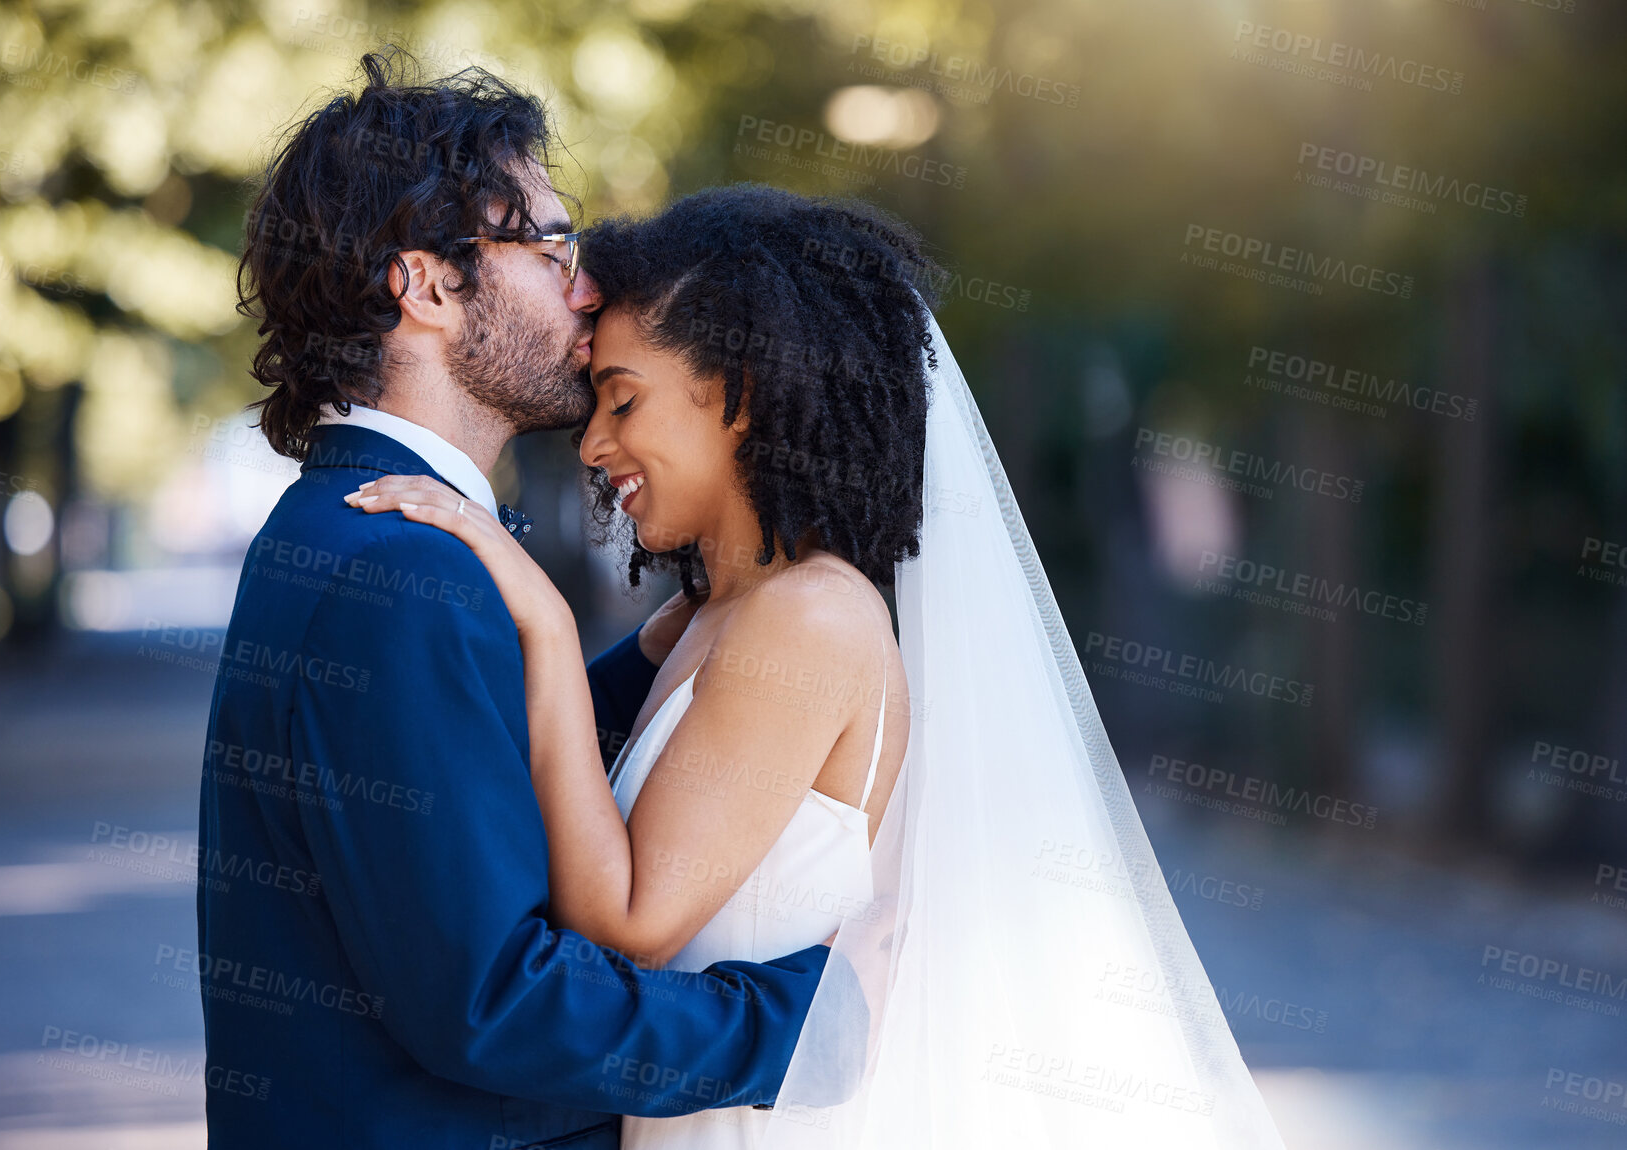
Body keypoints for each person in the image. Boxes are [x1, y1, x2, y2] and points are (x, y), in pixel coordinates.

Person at [354, 184, 1289, 1149]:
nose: (594, 443)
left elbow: (631, 922)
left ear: (745, 394)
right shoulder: (717, 618)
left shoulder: (807, 619)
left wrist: (544, 626)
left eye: (625, 400)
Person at [199, 53, 836, 1149]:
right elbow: (491, 1000)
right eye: (550, 246)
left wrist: (658, 655)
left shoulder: (357, 529)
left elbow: (467, 787)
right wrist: (787, 1024)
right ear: (430, 287)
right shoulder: (399, 565)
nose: (585, 285)